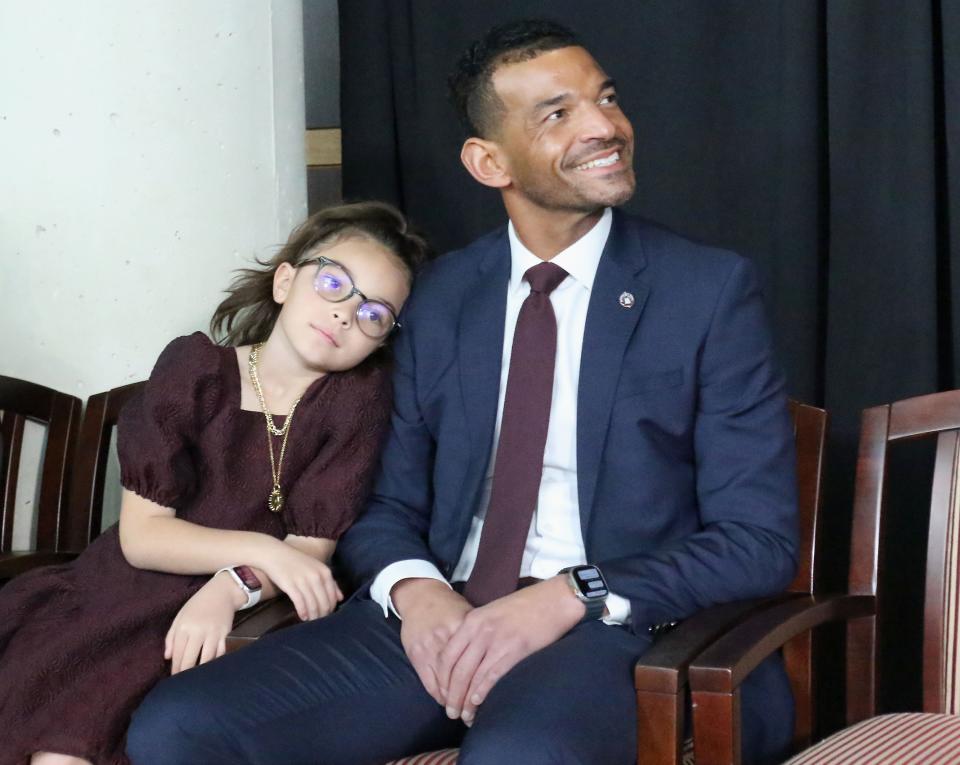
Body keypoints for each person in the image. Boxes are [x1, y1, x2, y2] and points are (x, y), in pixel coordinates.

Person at [127, 19, 798, 765]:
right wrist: (418, 593)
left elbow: (758, 541)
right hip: (441, 614)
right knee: (179, 725)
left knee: (516, 755)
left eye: (605, 98)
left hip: (625, 630)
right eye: (559, 113)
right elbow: (386, 508)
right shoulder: (441, 297)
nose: (605, 125)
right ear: (488, 160)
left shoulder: (706, 290)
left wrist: (570, 593)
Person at [0, 201, 428, 765]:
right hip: (124, 588)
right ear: (284, 281)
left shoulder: (355, 402)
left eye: (374, 313)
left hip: (244, 606)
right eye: (333, 283)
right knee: (58, 741)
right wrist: (260, 549)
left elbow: (307, 555)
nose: (348, 313)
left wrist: (231, 587)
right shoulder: (196, 370)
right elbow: (144, 536)